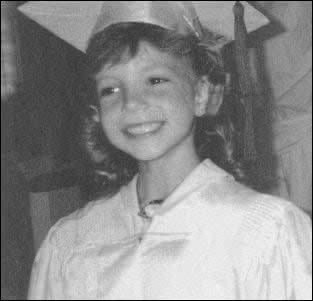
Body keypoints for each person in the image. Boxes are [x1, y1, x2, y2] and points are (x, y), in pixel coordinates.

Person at [19, 2, 312, 299]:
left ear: (202, 93)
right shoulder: (69, 243)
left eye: (155, 80)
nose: (132, 103)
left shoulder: (267, 231)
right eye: (110, 89)